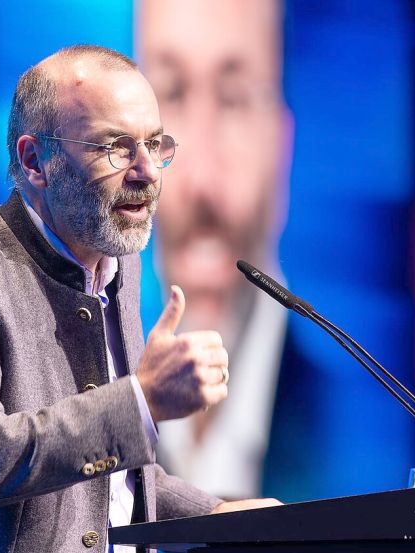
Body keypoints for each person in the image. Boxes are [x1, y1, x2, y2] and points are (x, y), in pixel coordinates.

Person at [0, 45, 276, 553]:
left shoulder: (117, 262)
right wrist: (140, 402)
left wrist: (216, 514)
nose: (148, 171)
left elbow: (104, 479)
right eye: (116, 148)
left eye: (154, 144)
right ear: (35, 161)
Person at [137, 0, 313, 501]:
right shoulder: (81, 408)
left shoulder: (362, 432)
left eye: (234, 100)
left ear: (281, 145)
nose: (202, 180)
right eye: (170, 94)